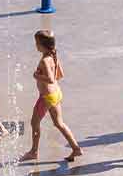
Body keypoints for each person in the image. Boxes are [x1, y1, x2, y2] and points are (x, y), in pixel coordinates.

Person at [19, 30, 83, 163]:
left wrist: (36, 76)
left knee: (34, 123)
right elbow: (59, 75)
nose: (35, 45)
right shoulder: (54, 56)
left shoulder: (45, 60)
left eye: (37, 43)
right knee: (59, 123)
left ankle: (34, 152)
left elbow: (50, 79)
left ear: (43, 45)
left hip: (46, 97)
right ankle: (76, 148)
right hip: (56, 94)